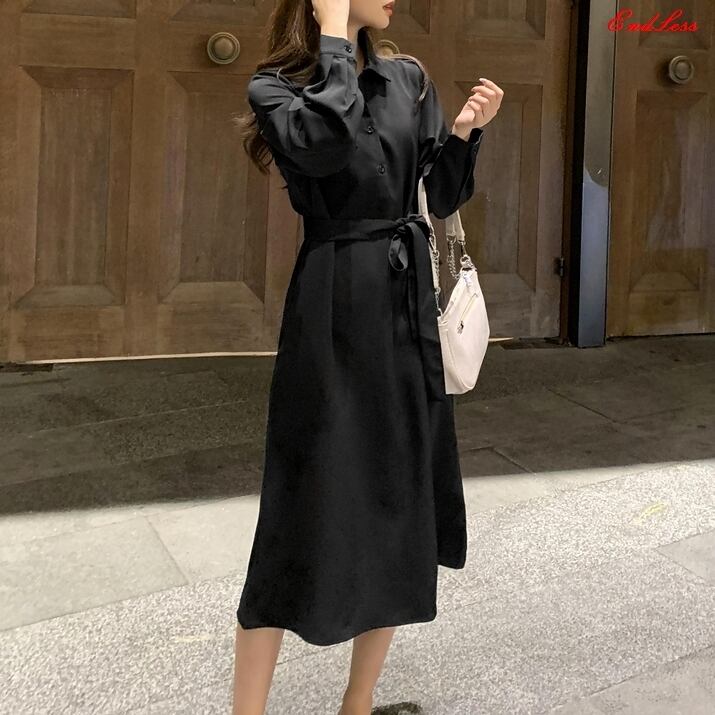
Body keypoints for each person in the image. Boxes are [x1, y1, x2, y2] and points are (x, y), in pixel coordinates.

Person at [230, 1, 503, 713]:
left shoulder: (407, 78)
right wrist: (331, 38)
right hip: (330, 305)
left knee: (398, 501)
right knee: (301, 503)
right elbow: (324, 146)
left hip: (404, 308)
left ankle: (358, 703)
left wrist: (463, 134)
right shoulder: (275, 89)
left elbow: (439, 194)